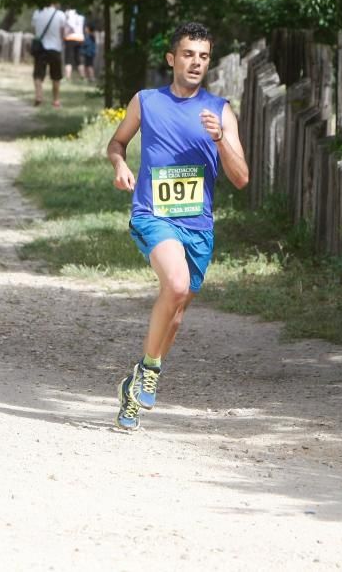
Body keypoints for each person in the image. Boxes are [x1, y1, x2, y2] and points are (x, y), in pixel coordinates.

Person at [107, 22, 249, 431]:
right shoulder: (146, 101)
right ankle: (150, 371)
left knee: (176, 312)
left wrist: (221, 138)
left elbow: (241, 178)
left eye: (203, 57)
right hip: (153, 214)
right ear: (172, 58)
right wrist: (120, 165)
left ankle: (134, 384)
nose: (195, 63)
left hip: (198, 226)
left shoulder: (220, 111)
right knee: (176, 284)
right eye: (188, 54)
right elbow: (117, 143)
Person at [30, 2, 66, 107]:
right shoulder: (60, 15)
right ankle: (56, 100)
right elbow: (62, 32)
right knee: (56, 76)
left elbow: (34, 30)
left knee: (38, 74)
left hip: (41, 48)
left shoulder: (37, 13)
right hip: (55, 48)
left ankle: (38, 96)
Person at [62, 8, 85, 81]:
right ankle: (82, 76)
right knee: (79, 58)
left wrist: (64, 34)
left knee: (68, 59)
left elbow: (70, 25)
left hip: (70, 38)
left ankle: (68, 77)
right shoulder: (81, 17)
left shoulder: (68, 15)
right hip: (80, 38)